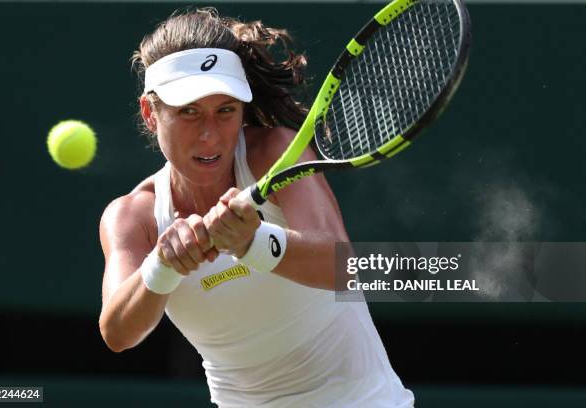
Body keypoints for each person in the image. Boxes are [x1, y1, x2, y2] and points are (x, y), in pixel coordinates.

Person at [98, 8, 414, 408]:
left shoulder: (276, 153)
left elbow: (343, 268)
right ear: (150, 112)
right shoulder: (132, 217)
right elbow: (118, 333)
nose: (210, 135)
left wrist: (255, 242)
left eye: (225, 110)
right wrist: (163, 264)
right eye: (188, 112)